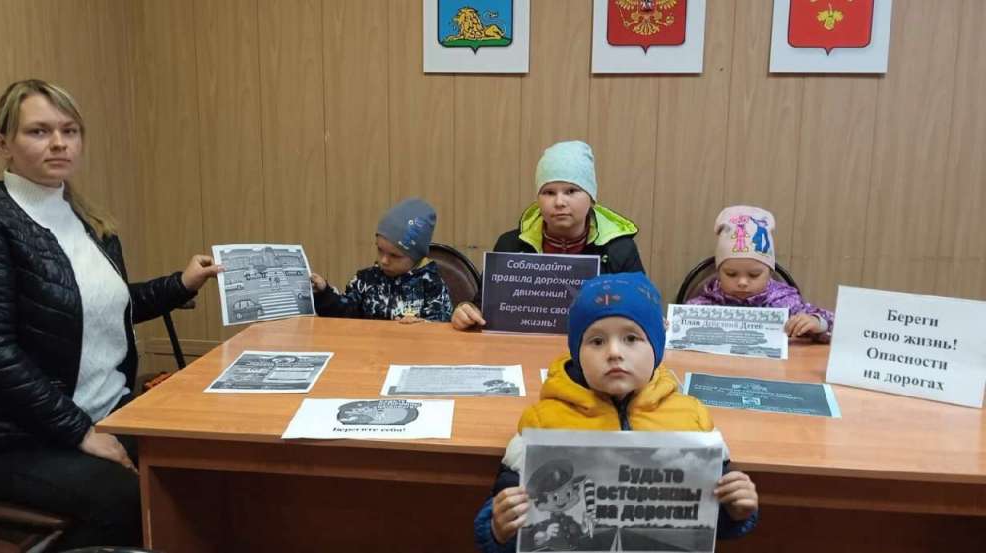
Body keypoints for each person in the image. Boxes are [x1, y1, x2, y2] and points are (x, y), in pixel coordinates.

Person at [0, 79, 222, 549]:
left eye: (70, 130)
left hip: (105, 414)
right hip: (11, 440)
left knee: (200, 465)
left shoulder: (88, 220)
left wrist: (180, 284)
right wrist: (80, 431)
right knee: (129, 500)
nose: (59, 143)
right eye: (38, 131)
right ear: (3, 145)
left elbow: (95, 311)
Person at [473, 273, 759, 552]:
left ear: (657, 346)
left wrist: (736, 509)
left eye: (631, 338)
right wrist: (498, 529)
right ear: (577, 352)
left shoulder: (691, 419)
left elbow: (712, 518)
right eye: (596, 341)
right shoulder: (542, 422)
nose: (614, 352)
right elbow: (505, 511)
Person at [452, 140, 645, 330]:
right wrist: (467, 311)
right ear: (538, 199)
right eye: (549, 192)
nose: (559, 202)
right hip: (523, 345)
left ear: (591, 198)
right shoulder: (510, 245)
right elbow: (482, 307)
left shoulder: (619, 249)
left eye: (571, 191)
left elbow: (643, 310)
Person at [687, 206, 834, 342]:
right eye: (731, 274)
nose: (742, 282)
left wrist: (817, 323)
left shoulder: (786, 303)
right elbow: (681, 325)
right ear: (718, 273)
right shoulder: (706, 303)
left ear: (769, 273)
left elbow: (835, 327)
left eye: (754, 275)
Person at [310, 197, 453, 323]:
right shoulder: (365, 280)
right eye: (380, 250)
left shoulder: (431, 285)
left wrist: (421, 326)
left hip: (412, 345)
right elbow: (344, 314)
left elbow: (441, 327)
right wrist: (324, 294)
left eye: (394, 256)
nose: (384, 261)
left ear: (416, 257)